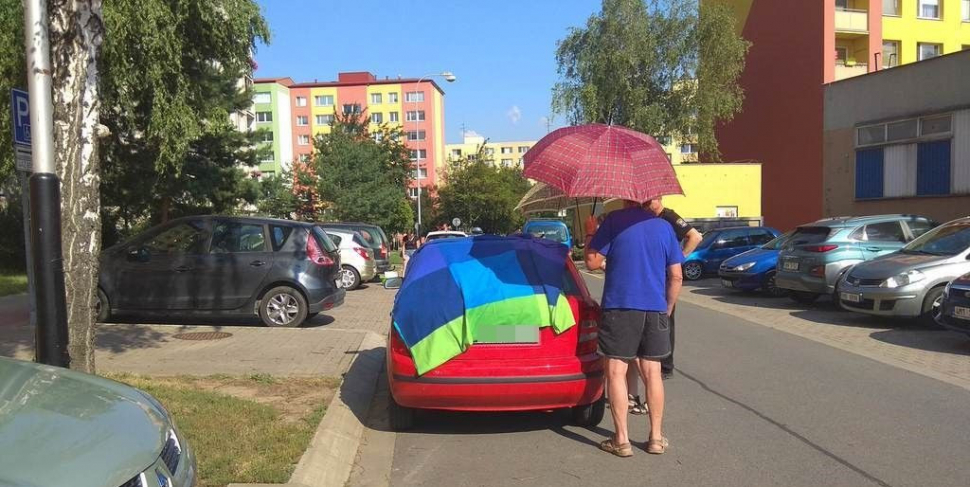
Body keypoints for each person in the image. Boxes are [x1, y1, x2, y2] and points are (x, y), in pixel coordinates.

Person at [585, 201, 684, 457]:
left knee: (616, 371)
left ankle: (622, 440)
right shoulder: (664, 227)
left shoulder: (615, 221)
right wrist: (667, 308)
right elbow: (676, 276)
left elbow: (593, 262)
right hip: (654, 308)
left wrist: (590, 231)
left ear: (626, 196)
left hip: (620, 306)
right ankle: (655, 439)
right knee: (652, 372)